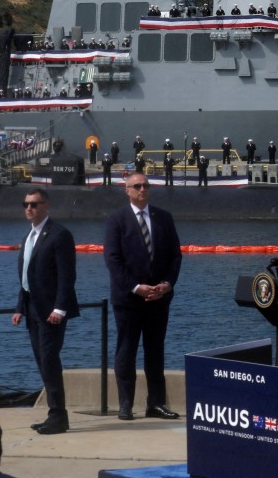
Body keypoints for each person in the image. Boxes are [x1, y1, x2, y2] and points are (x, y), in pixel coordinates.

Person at [104, 173, 182, 420]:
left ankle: (155, 404)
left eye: (146, 185)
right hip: (129, 300)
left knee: (155, 352)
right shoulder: (117, 220)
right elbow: (113, 261)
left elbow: (175, 256)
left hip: (158, 299)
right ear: (127, 190)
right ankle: (125, 404)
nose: (142, 189)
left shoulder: (164, 218)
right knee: (126, 351)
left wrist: (167, 284)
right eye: (137, 186)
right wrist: (136, 287)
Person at [12, 189, 79, 435]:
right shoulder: (28, 237)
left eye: (34, 204)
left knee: (50, 361)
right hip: (32, 309)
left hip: (51, 311)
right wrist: (20, 307)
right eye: (26, 204)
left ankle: (58, 416)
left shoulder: (59, 235)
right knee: (42, 361)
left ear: (46, 206)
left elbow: (66, 275)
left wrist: (60, 308)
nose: (29, 208)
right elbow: (26, 276)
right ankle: (54, 413)